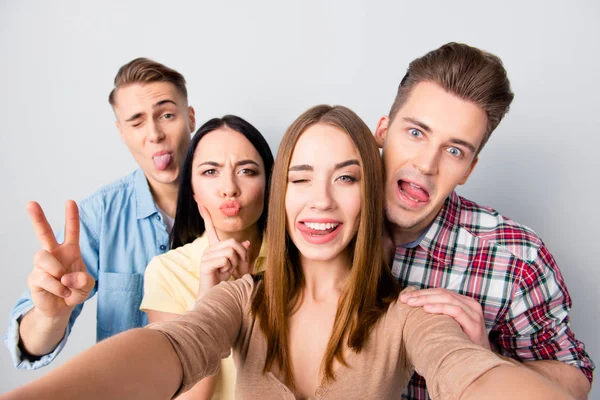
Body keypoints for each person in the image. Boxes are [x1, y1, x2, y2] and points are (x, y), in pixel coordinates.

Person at [0, 105, 572, 400]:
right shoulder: (240, 298)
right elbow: (168, 350)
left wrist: (486, 371)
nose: (320, 200)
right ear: (281, 194)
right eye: (300, 178)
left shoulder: (408, 315)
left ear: (369, 195)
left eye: (346, 178)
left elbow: (470, 373)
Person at [374, 42, 595, 399]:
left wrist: (485, 360)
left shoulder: (518, 259)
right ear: (382, 131)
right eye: (416, 133)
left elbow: (577, 381)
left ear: (469, 169)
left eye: (454, 150)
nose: (428, 164)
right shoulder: (320, 222)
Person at [3, 58, 196, 370]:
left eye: (167, 115)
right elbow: (30, 347)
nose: (155, 133)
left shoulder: (234, 201)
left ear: (190, 118)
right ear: (121, 133)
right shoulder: (98, 216)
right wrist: (52, 314)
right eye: (136, 122)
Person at [140, 115, 274, 399]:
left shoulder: (299, 262)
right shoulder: (167, 271)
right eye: (210, 172)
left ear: (269, 182)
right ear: (191, 187)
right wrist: (207, 300)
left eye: (247, 171)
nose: (229, 188)